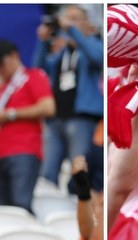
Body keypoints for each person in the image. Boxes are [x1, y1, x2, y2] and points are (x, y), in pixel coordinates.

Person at [33, 5, 103, 189]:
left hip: (80, 119)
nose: (68, 23)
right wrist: (43, 41)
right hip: (56, 118)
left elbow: (98, 57)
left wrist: (72, 30)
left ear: (88, 24)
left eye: (75, 18)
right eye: (67, 18)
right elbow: (39, 71)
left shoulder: (93, 44)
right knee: (48, 172)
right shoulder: (64, 52)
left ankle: (83, 213)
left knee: (79, 171)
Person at [0, 39, 55, 214]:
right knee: (5, 209)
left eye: (1, 63)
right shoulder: (2, 88)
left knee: (20, 204)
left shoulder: (33, 76)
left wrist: (10, 114)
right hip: (0, 154)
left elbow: (48, 107)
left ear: (14, 56)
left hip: (24, 151)